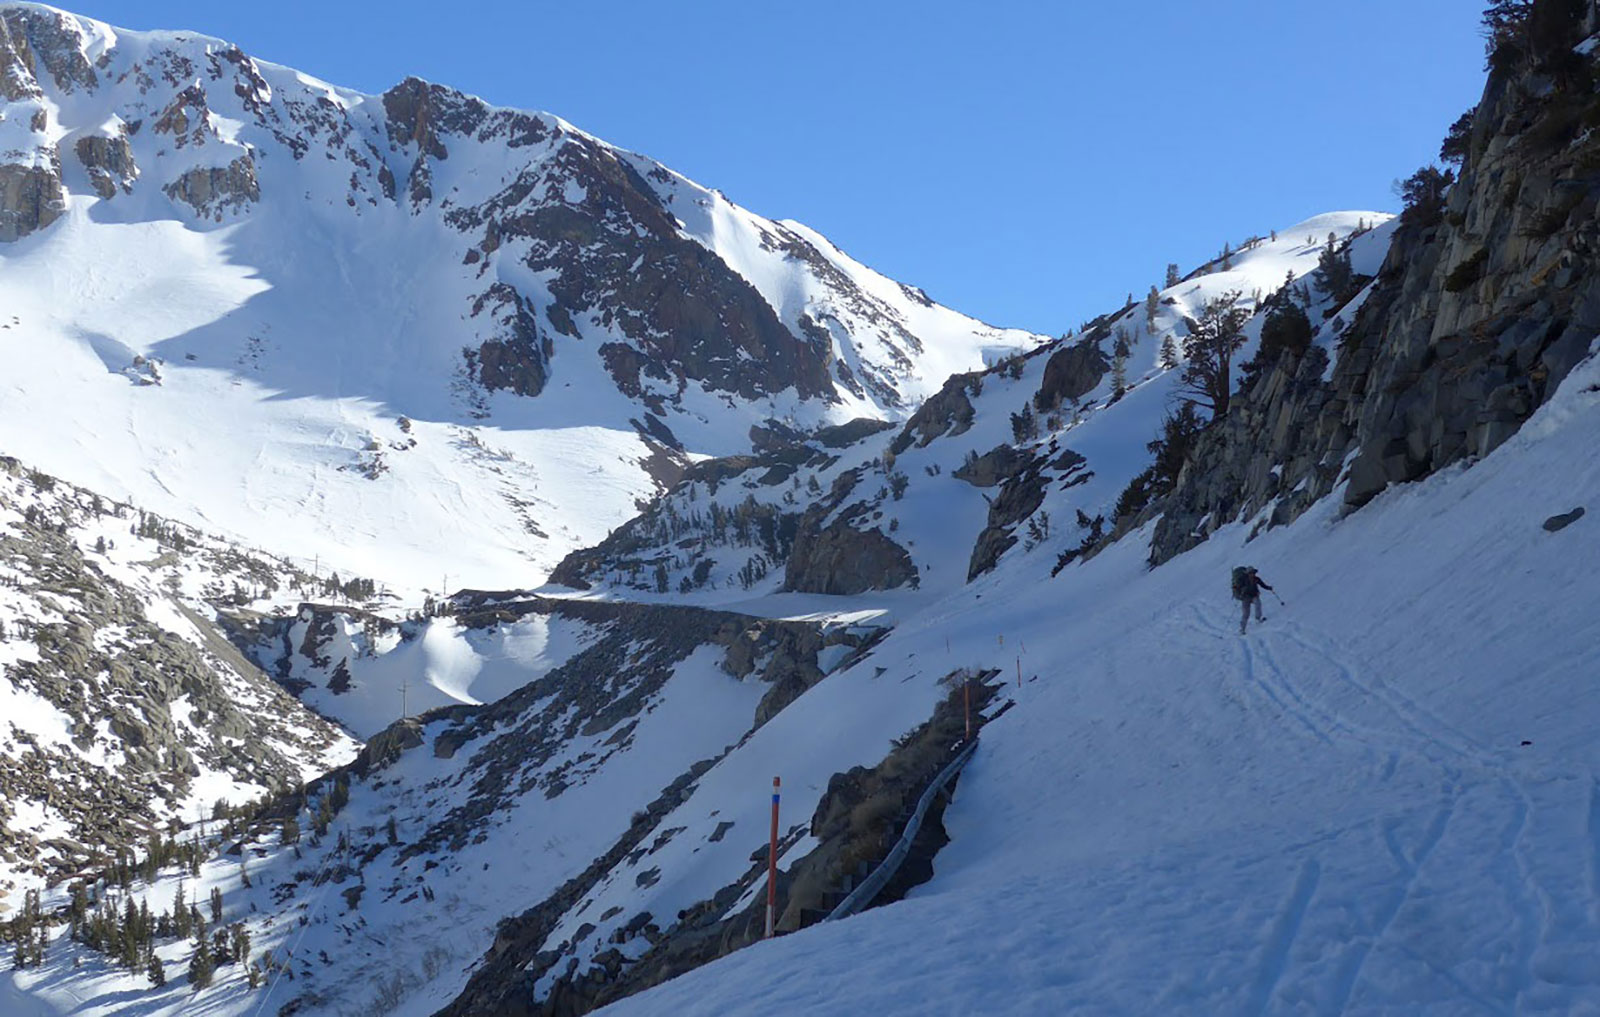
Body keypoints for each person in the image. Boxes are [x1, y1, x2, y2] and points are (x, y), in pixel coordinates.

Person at [1233, 566, 1274, 634]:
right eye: (1251, 573)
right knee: (1246, 613)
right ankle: (1242, 629)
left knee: (1258, 604)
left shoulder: (1256, 579)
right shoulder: (1243, 580)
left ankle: (1258, 619)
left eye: (1253, 573)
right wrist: (1237, 591)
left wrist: (1268, 588)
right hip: (1245, 597)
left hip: (1254, 595)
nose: (1252, 574)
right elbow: (1237, 587)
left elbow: (1262, 585)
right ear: (1247, 573)